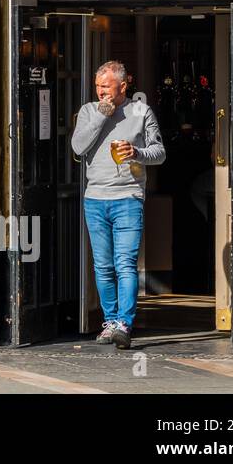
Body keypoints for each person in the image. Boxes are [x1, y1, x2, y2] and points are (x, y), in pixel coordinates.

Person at [71, 60, 167, 350]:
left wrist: (136, 152)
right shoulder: (89, 111)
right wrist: (102, 115)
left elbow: (160, 152)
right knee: (102, 265)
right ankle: (110, 321)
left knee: (125, 264)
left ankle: (124, 323)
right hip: (95, 198)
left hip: (128, 196)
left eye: (107, 86)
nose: (101, 91)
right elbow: (78, 147)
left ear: (123, 86)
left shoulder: (141, 111)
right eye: (98, 86)